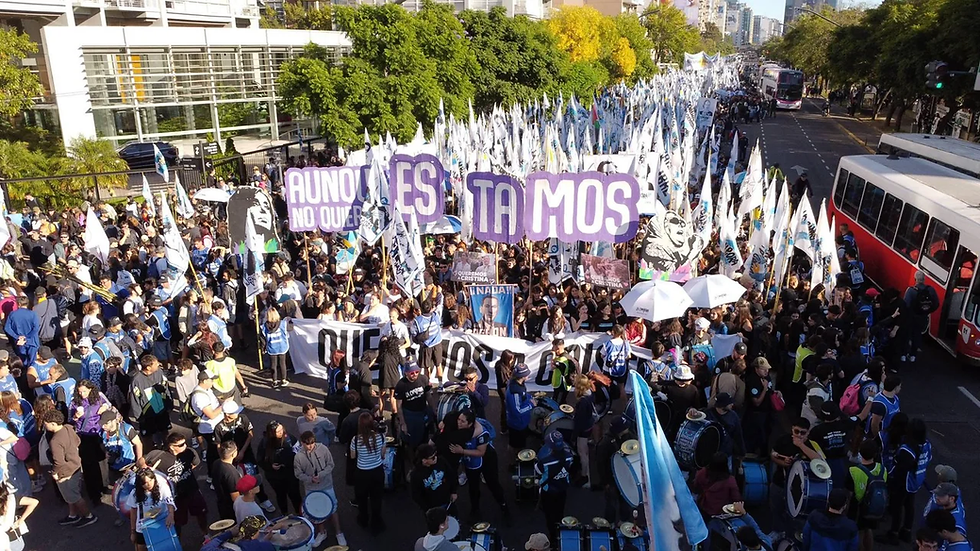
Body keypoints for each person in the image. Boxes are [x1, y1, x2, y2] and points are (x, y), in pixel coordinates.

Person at [144, 432, 209, 536]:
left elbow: (195, 464)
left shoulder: (189, 452)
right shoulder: (160, 456)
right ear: (171, 446)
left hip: (192, 489)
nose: (185, 446)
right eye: (181, 445)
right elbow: (141, 463)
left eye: (185, 443)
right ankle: (177, 542)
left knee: (201, 513)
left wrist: (183, 475)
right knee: (177, 522)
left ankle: (205, 534)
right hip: (176, 496)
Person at [449, 409, 508, 521]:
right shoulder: (459, 427)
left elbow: (481, 452)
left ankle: (504, 506)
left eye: (462, 421)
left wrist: (462, 451)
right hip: (470, 460)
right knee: (473, 486)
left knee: (492, 483)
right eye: (458, 420)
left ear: (470, 424)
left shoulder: (481, 433)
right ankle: (475, 510)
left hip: (487, 458)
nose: (459, 423)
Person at [42, 410, 97, 527]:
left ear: (53, 423)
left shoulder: (55, 441)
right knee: (70, 495)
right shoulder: (68, 427)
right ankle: (73, 515)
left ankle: (89, 516)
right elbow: (78, 441)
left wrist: (55, 473)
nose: (44, 424)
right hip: (76, 466)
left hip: (65, 473)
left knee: (74, 496)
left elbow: (59, 461)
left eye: (46, 423)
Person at [883, 418, 932, 544]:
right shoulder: (926, 444)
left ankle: (893, 533)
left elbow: (901, 470)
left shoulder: (907, 449)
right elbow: (928, 459)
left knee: (897, 506)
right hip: (917, 480)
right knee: (910, 505)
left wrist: (893, 484)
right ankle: (907, 531)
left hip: (905, 482)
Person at [295, 430, 346, 547]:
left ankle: (339, 532)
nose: (310, 446)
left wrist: (321, 475)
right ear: (302, 443)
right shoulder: (298, 456)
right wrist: (309, 479)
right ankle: (322, 532)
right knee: (315, 512)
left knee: (333, 508)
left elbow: (331, 464)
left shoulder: (323, 449)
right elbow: (298, 473)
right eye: (307, 444)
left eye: (312, 443)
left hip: (326, 485)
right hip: (311, 488)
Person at [846, 440, 887, 551]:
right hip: (874, 506)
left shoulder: (853, 470)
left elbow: (850, 493)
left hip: (858, 508)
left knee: (858, 533)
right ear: (875, 454)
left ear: (860, 452)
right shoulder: (882, 469)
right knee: (868, 529)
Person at [349, 411, 386, 531]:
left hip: (362, 473)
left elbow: (353, 456)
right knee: (376, 498)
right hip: (377, 471)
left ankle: (363, 519)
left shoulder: (355, 440)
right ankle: (376, 521)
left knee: (362, 498)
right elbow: (383, 455)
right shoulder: (380, 437)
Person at [536, 430, 574, 545]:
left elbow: (538, 471)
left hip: (548, 491)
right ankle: (560, 533)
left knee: (549, 515)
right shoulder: (569, 456)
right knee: (560, 512)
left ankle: (553, 538)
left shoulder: (544, 461)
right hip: (562, 489)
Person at [258, 420, 301, 516]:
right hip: (274, 476)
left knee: (295, 495)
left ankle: (299, 513)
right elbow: (260, 460)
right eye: (278, 431)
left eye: (282, 429)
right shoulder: (264, 443)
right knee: (281, 495)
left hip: (291, 473)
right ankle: (284, 514)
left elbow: (299, 452)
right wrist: (270, 466)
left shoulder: (290, 438)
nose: (281, 432)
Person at [127, 467, 175, 551]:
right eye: (145, 483)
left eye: (151, 480)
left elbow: (169, 502)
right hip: (142, 526)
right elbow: (133, 512)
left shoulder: (162, 487)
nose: (149, 484)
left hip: (161, 522)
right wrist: (133, 532)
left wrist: (171, 515)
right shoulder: (134, 494)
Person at [129, 354, 172, 448]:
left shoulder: (159, 372)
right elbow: (135, 399)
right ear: (148, 367)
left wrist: (169, 404)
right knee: (147, 437)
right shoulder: (137, 380)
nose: (159, 365)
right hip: (147, 414)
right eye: (156, 364)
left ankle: (167, 450)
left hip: (161, 410)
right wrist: (139, 416)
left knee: (165, 432)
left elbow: (166, 387)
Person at [394, 360, 431, 464]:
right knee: (410, 441)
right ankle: (412, 462)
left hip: (423, 411)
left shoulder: (423, 379)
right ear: (406, 373)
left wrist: (433, 409)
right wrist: (403, 423)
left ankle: (423, 458)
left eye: (416, 372)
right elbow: (399, 406)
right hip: (409, 414)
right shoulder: (401, 385)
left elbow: (428, 395)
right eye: (412, 373)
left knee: (424, 437)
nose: (415, 374)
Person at [411, 443, 458, 516]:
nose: (435, 458)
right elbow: (416, 494)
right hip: (432, 507)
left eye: (435, 455)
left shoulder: (441, 461)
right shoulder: (416, 474)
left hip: (448, 500)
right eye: (432, 457)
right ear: (424, 460)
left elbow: (451, 475)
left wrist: (453, 491)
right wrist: (426, 509)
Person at [411, 285, 446, 384]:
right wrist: (439, 292)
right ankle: (440, 385)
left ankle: (428, 385)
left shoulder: (417, 321)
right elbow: (440, 304)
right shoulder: (436, 315)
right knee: (438, 365)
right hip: (437, 344)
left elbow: (413, 332)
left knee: (427, 367)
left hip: (426, 345)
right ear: (431, 308)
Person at [903, 271, 939, 362]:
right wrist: (927, 311)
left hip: (911, 317)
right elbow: (936, 303)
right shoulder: (931, 290)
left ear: (915, 279)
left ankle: (903, 354)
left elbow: (905, 305)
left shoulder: (911, 290)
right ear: (924, 279)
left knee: (906, 335)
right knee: (917, 335)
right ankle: (913, 356)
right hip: (922, 317)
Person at [693, 452, 741, 516]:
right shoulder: (730, 481)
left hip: (702, 509)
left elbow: (695, 489)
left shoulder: (701, 473)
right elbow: (736, 499)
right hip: (719, 513)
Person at [505, 363, 534, 464]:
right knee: (514, 445)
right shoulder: (515, 392)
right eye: (527, 374)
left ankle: (517, 460)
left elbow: (524, 395)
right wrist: (531, 405)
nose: (528, 376)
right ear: (522, 376)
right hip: (517, 424)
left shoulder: (517, 384)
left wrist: (530, 398)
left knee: (519, 444)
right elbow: (517, 411)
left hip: (521, 422)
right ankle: (513, 463)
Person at [4, 295, 40, 368]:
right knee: (33, 361)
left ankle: (24, 374)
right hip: (32, 341)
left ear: (19, 304)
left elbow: (7, 328)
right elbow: (36, 328)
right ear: (27, 303)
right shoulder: (33, 314)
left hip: (19, 341)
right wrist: (26, 337)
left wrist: (17, 336)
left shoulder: (12, 314)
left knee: (23, 360)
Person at [261, 307, 291, 388]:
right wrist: (290, 321)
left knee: (273, 364)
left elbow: (263, 339)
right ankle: (283, 380)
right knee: (282, 363)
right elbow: (291, 328)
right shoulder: (283, 324)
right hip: (282, 346)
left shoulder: (264, 327)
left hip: (272, 347)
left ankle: (274, 381)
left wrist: (263, 348)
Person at [549, 339, 578, 405]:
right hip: (566, 382)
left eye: (553, 346)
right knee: (562, 399)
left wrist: (553, 355)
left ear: (557, 348)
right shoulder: (566, 354)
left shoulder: (562, 360)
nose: (552, 348)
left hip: (561, 383)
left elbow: (552, 366)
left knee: (558, 400)